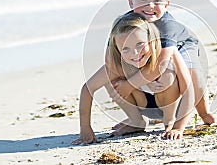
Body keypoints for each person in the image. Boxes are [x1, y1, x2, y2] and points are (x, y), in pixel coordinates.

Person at [110, 0, 217, 129]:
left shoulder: (168, 25)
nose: (150, 6)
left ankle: (203, 112)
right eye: (142, 0)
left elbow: (162, 63)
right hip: (150, 48)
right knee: (114, 74)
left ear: (166, 4)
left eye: (157, 1)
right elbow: (111, 54)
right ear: (131, 2)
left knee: (193, 75)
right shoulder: (126, 23)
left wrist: (131, 84)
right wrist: (119, 78)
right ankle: (136, 120)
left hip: (181, 46)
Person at [72, 12, 194, 145]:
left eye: (140, 44)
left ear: (151, 39)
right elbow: (87, 89)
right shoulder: (117, 66)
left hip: (172, 105)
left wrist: (178, 127)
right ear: (117, 50)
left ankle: (168, 122)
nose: (135, 53)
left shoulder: (168, 56)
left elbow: (189, 90)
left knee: (167, 75)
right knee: (111, 80)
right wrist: (85, 128)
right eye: (125, 49)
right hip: (143, 104)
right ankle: (137, 121)